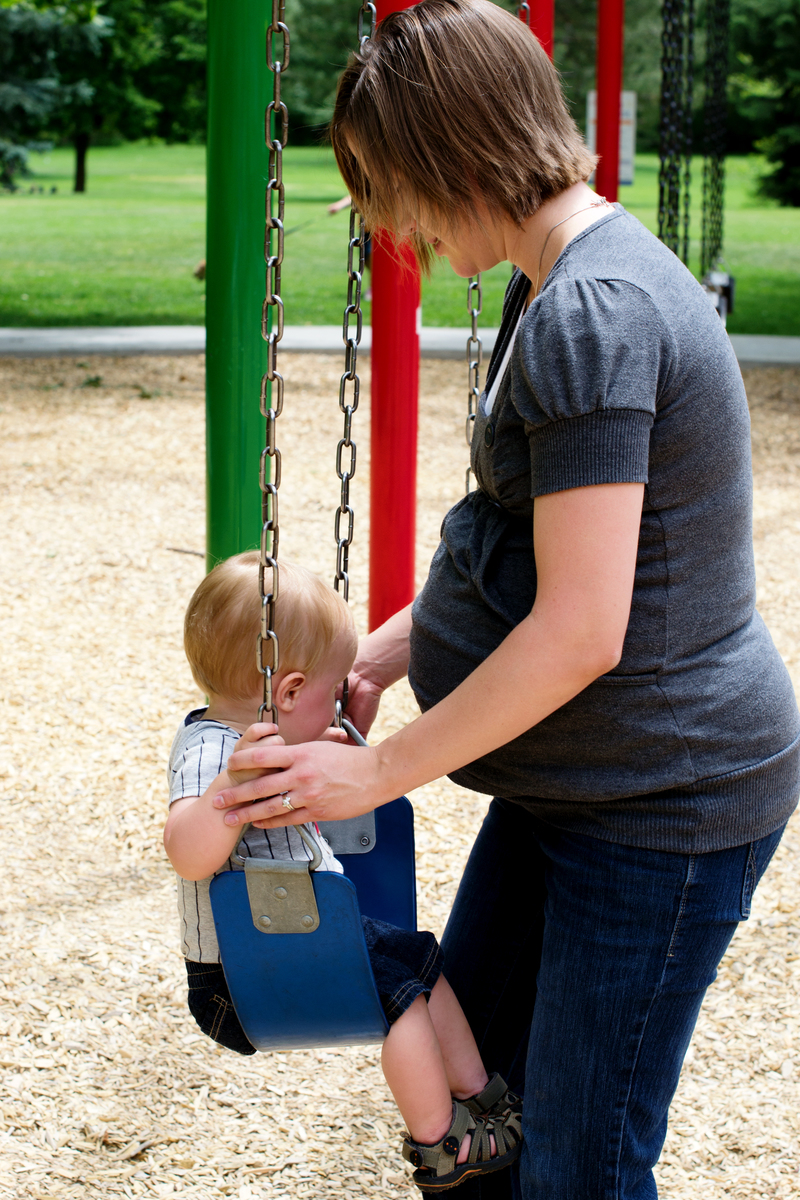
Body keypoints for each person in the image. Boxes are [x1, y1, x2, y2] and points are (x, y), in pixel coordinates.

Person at [206, 3, 800, 1197]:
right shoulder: (561, 283)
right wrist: (378, 656)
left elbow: (581, 630)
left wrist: (375, 773)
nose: (393, 225)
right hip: (571, 786)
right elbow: (521, 556)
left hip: (658, 805)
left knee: (572, 1167)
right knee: (475, 1127)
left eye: (392, 188)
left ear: (454, 156)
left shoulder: (592, 315)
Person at [163, 552, 522, 1193]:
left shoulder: (269, 734)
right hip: (239, 979)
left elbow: (307, 772)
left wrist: (329, 749)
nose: (337, 708)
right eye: (331, 695)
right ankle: (442, 1144)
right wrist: (228, 792)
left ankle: (481, 1100)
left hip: (306, 944)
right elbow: (188, 852)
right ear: (290, 690)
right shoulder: (212, 750)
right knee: (402, 1003)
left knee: (421, 962)